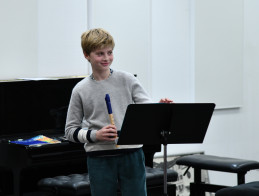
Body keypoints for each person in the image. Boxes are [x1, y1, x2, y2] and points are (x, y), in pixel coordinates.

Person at [65, 28, 173, 196]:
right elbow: (70, 131)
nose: (106, 58)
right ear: (87, 55)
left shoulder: (127, 79)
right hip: (99, 157)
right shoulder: (80, 89)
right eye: (100, 54)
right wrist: (96, 135)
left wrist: (159, 108)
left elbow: (147, 111)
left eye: (110, 52)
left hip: (132, 154)